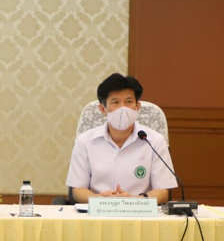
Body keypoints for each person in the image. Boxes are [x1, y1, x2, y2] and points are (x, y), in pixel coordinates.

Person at [66, 73, 178, 205]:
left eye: (129, 102)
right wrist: (101, 200)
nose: (123, 108)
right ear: (103, 109)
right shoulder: (85, 141)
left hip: (140, 211)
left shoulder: (154, 141)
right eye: (115, 102)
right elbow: (78, 190)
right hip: (97, 211)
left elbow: (162, 192)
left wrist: (133, 201)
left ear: (137, 107)